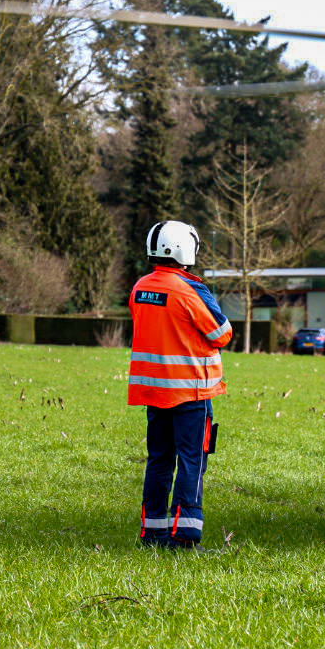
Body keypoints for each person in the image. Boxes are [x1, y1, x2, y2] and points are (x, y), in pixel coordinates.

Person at [128, 220, 233, 549]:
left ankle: (153, 533)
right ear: (185, 249)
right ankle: (185, 537)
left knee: (159, 460)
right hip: (191, 392)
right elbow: (222, 334)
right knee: (192, 460)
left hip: (154, 392)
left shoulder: (140, 287)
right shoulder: (190, 289)